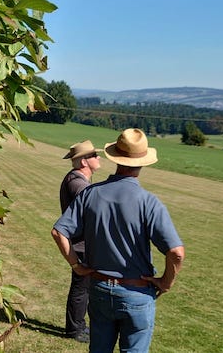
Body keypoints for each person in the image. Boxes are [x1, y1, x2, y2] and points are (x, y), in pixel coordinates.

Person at [51, 128, 185, 353]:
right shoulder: (149, 202)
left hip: (99, 289)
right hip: (136, 293)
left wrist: (76, 265)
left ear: (115, 158)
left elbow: (58, 232)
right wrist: (166, 282)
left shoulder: (90, 193)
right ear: (142, 162)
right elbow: (176, 253)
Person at [59, 140, 102, 343]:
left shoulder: (77, 179)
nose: (98, 157)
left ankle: (78, 326)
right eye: (94, 155)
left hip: (83, 243)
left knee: (84, 287)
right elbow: (92, 206)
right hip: (81, 245)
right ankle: (75, 329)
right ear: (84, 161)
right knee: (81, 287)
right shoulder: (77, 183)